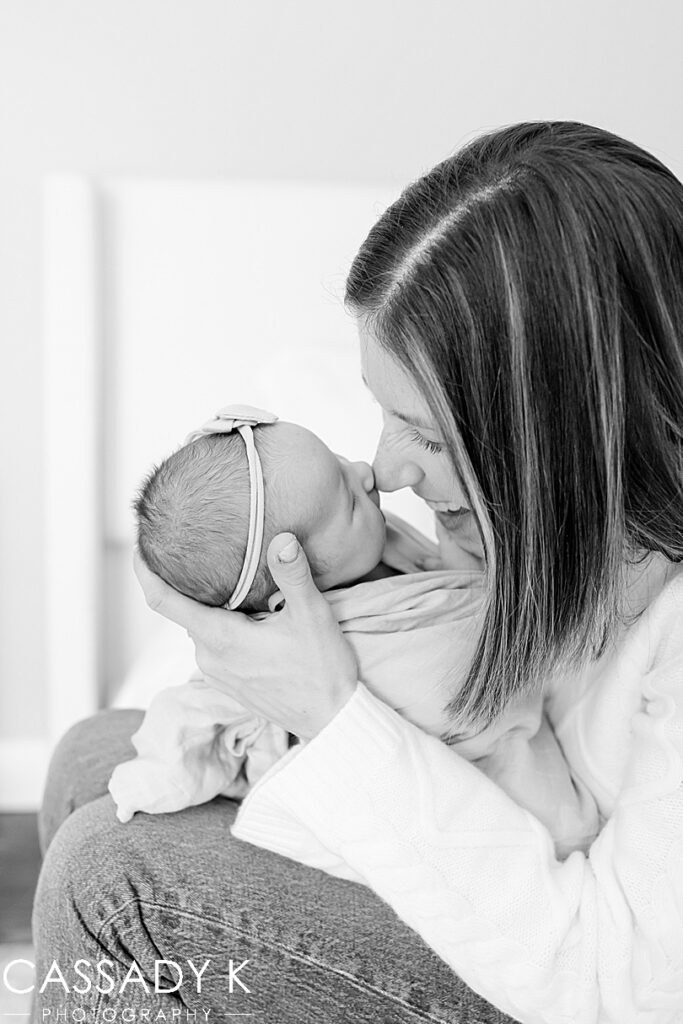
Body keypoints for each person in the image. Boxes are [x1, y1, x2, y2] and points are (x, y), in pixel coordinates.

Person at [31, 120, 683, 1024]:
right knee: (91, 757)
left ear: (564, 428)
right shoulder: (548, 535)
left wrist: (330, 713)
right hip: (517, 862)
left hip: (585, 976)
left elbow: (621, 984)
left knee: (113, 877)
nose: (388, 468)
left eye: (427, 430)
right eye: (383, 414)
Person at [108, 406, 598, 860]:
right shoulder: (324, 643)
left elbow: (464, 594)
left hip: (499, 840)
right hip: (412, 816)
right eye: (345, 499)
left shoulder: (379, 552)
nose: (365, 471)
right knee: (87, 758)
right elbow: (197, 713)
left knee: (97, 839)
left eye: (339, 461)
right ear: (291, 576)